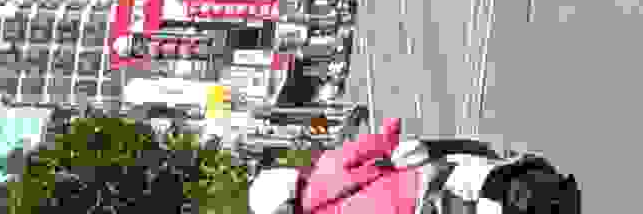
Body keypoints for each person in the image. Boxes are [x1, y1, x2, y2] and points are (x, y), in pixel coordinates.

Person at [247, 117, 578, 214]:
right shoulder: (328, 166)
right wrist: (386, 132)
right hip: (422, 185)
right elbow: (384, 143)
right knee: (446, 159)